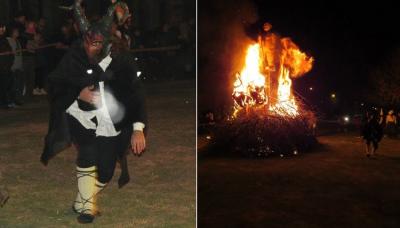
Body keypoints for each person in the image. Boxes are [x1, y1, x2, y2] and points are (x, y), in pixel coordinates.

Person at [40, 0, 147, 224]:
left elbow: (136, 95)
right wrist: (78, 94)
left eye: (97, 43)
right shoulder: (75, 56)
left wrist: (138, 129)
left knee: (106, 172)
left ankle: (82, 199)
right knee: (87, 152)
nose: (91, 48)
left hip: (111, 122)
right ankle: (88, 209)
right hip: (82, 117)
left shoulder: (121, 60)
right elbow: (56, 83)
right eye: (89, 43)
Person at [7, 26, 24, 106]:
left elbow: (19, 54)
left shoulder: (17, 41)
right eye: (16, 31)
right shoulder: (9, 41)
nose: (17, 32)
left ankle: (17, 99)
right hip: (13, 66)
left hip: (18, 66)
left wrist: (21, 65)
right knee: (13, 85)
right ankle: (12, 100)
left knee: (19, 84)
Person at [0, 23, 14, 109]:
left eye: (3, 28)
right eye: (0, 28)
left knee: (5, 85)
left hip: (6, 67)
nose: (2, 30)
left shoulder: (4, 39)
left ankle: (4, 102)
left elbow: (10, 51)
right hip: (1, 67)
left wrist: (9, 55)